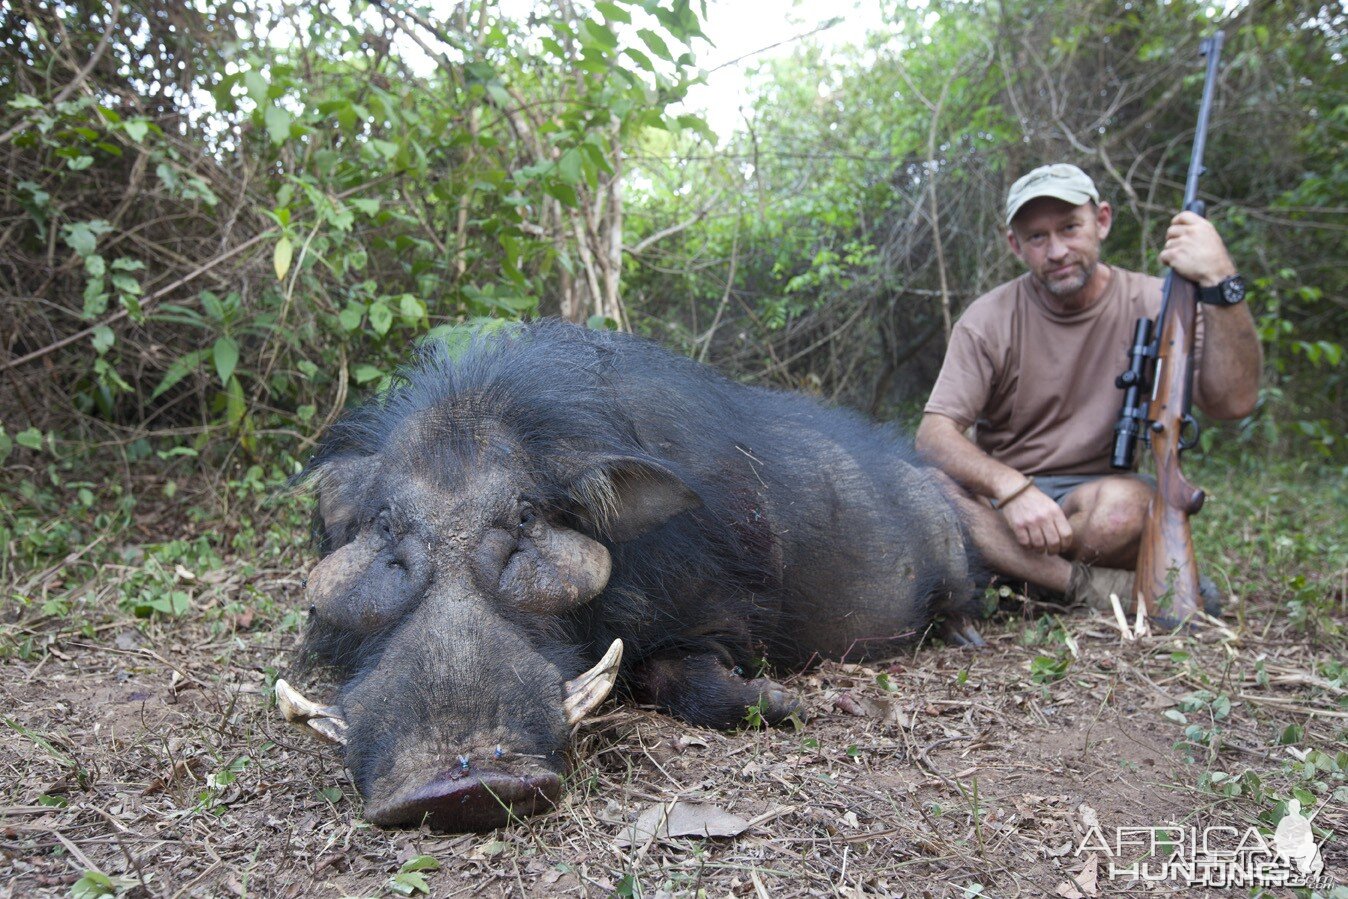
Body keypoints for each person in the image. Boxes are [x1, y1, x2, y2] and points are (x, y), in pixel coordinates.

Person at [914, 164, 1262, 610]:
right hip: (1007, 504)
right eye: (1037, 237)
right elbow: (933, 435)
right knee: (927, 489)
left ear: (1101, 221)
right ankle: (1093, 588)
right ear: (1014, 245)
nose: (1056, 250)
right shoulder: (988, 319)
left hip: (1097, 501)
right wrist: (1013, 489)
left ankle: (1012, 575)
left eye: (1070, 228)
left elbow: (1234, 402)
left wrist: (1221, 279)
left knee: (1130, 510)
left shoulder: (1159, 303)